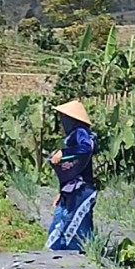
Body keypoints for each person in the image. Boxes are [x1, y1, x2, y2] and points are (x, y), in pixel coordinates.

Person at [46, 100, 98, 252]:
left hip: (81, 189)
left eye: (64, 118)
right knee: (63, 218)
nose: (61, 122)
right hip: (72, 188)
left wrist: (64, 152)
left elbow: (86, 148)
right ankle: (61, 252)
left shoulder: (80, 133)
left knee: (73, 223)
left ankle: (71, 253)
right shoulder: (74, 136)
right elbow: (75, 168)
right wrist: (61, 192)